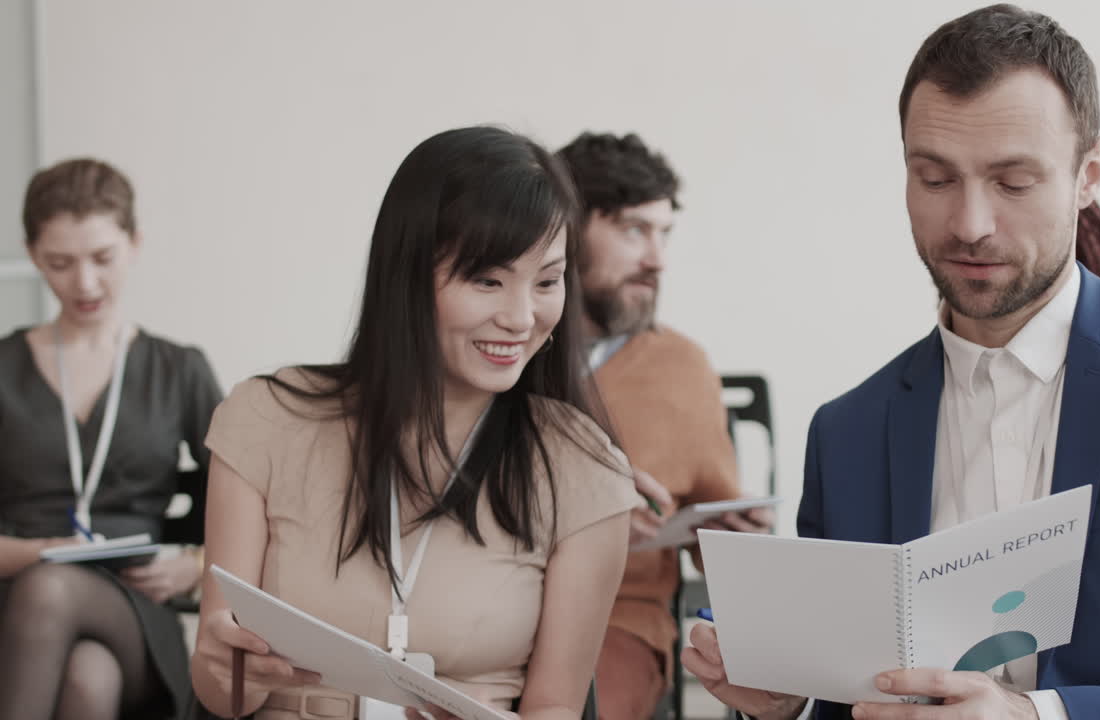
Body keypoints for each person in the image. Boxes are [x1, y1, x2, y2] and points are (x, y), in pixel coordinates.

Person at [682, 4, 1100, 719]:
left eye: (1013, 183)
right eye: (935, 179)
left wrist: (1039, 715)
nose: (969, 224)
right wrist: (786, 702)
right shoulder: (846, 433)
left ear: (1089, 174)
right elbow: (847, 700)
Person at [190, 126, 641, 720]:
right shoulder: (267, 420)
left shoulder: (582, 466)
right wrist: (230, 670)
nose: (521, 316)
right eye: (488, 280)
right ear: (406, 274)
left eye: (548, 281)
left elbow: (555, 708)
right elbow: (219, 687)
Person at [556, 132, 774, 720]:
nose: (657, 258)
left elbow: (717, 539)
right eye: (634, 230)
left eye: (664, 233)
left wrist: (740, 540)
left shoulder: (683, 368)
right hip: (490, 607)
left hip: (614, 622)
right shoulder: (505, 346)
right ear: (568, 231)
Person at [0, 158, 223, 720]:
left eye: (102, 258)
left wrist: (196, 565)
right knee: (88, 677)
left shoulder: (178, 369)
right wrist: (43, 554)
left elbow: (248, 499)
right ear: (33, 257)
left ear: (134, 243)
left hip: (136, 608)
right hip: (14, 598)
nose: (85, 284)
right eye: (60, 263)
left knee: (53, 595)